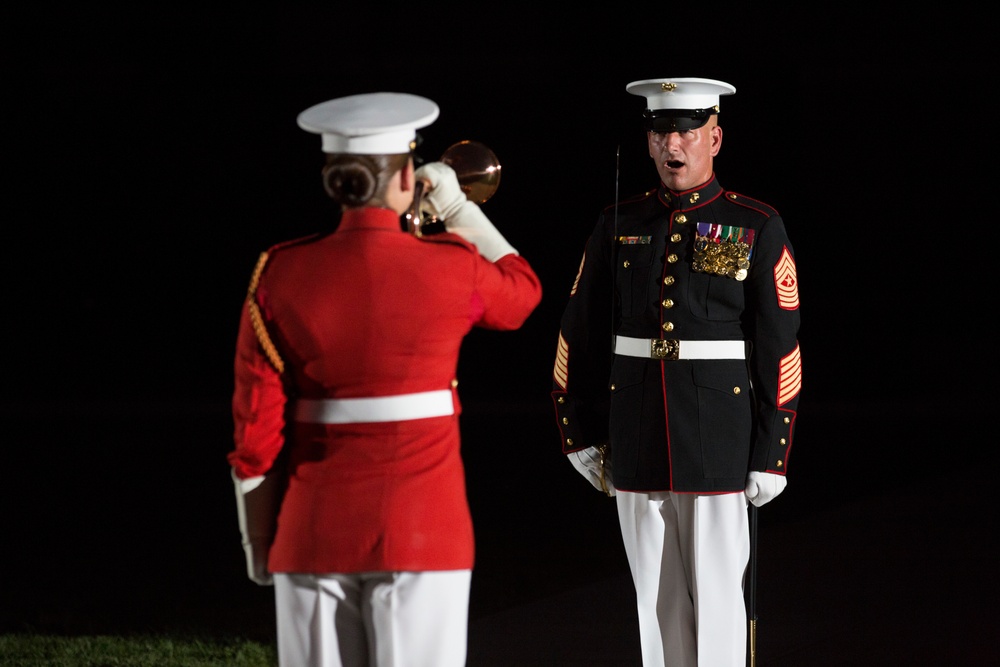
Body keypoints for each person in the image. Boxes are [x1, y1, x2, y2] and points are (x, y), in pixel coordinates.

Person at [227, 91, 542, 667]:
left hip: (311, 532)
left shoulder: (281, 268)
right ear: (405, 175)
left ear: (332, 178)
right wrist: (459, 212)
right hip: (424, 529)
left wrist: (258, 540)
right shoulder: (450, 263)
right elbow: (522, 294)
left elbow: (254, 427)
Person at [551, 77, 802, 666]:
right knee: (654, 603)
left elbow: (779, 346)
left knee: (718, 599)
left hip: (719, 439)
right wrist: (578, 433)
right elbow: (576, 332)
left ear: (715, 137)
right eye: (661, 131)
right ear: (648, 143)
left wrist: (774, 449)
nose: (673, 144)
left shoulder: (755, 224)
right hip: (636, 436)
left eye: (687, 131)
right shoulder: (619, 222)